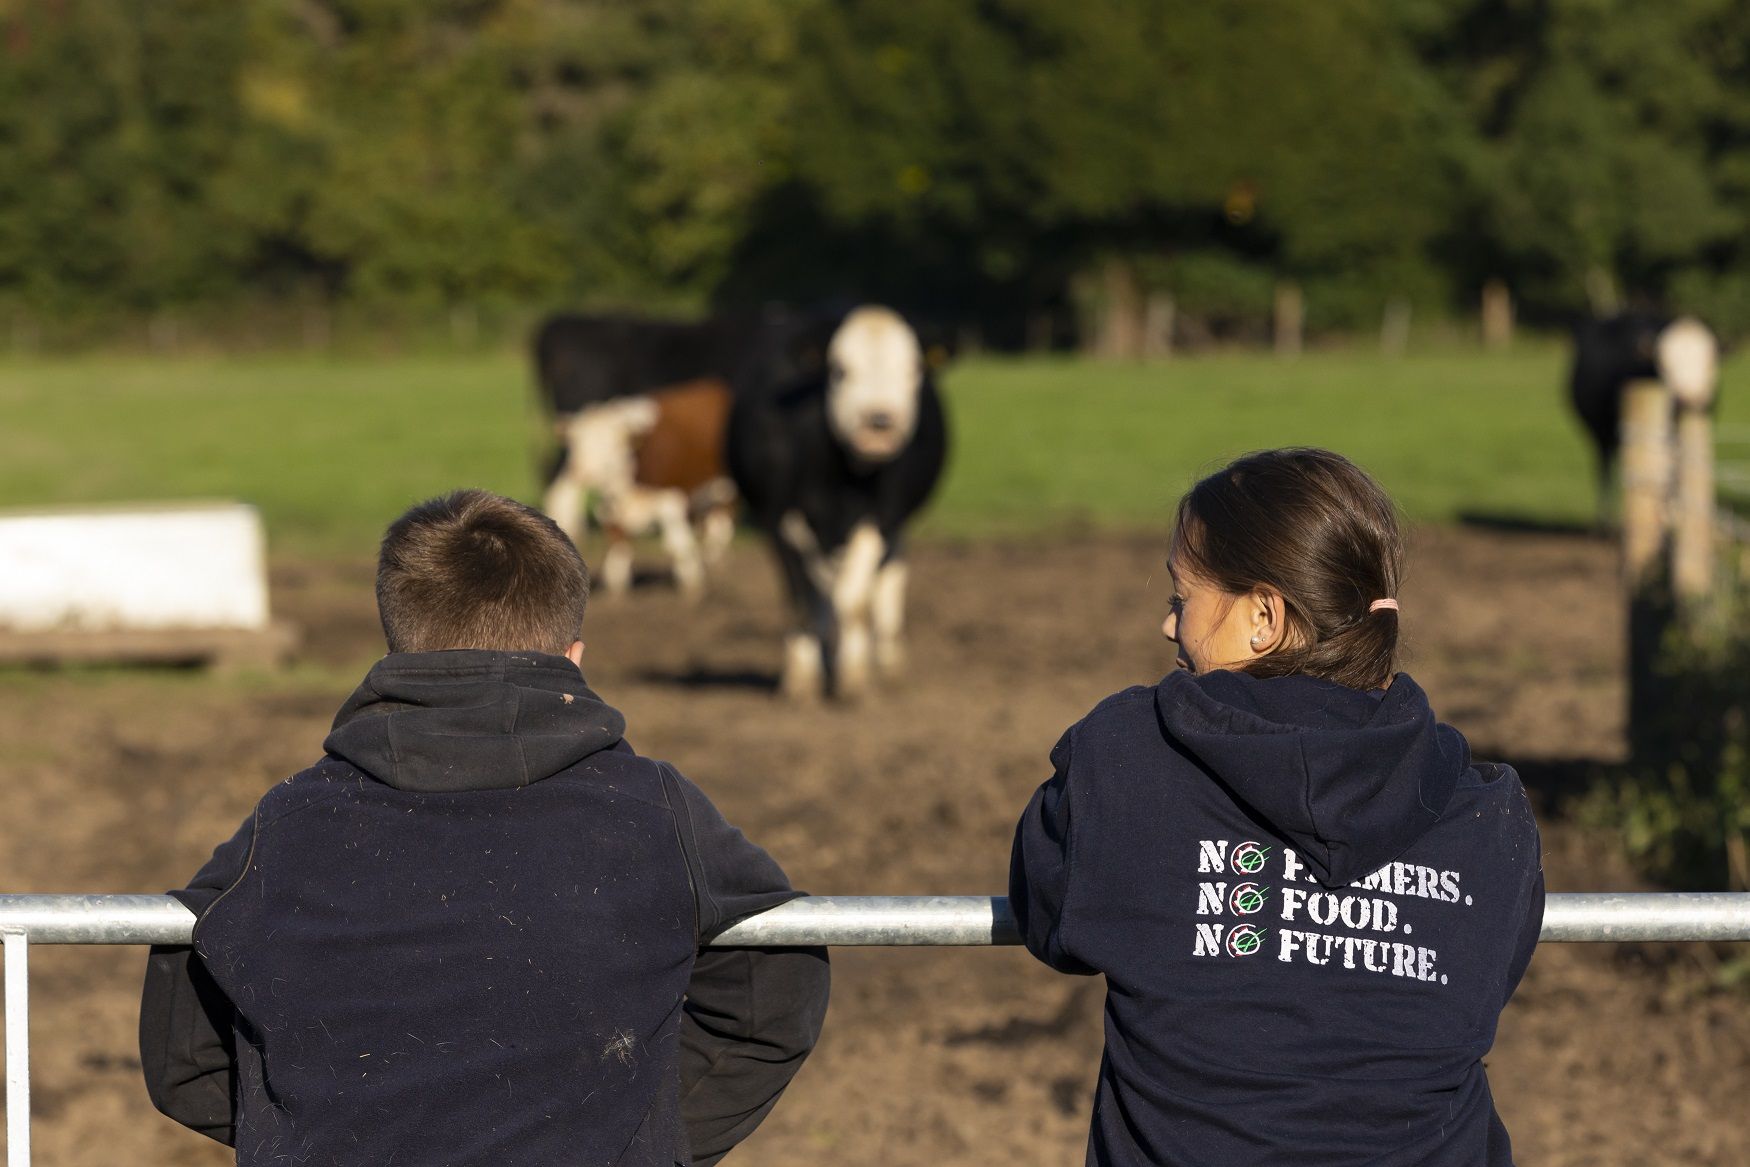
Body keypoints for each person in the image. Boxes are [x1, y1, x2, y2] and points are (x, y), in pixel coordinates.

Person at [139, 489, 829, 1166]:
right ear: (574, 656)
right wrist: (644, 1131)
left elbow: (184, 1048)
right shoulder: (656, 808)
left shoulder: (286, 822)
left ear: (397, 648)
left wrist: (300, 1124)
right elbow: (775, 984)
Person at [1010, 448, 1543, 1166]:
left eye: (1182, 598)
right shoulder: (1488, 819)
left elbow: (1047, 908)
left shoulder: (1123, 759)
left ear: (1263, 616)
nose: (1171, 627)